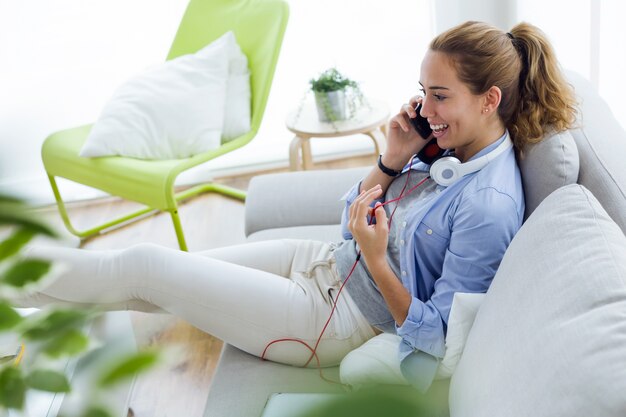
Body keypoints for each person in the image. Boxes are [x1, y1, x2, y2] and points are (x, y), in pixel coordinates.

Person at [17, 21, 576, 391]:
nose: (425, 108)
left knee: (144, 266)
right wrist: (392, 160)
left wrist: (378, 261)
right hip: (321, 262)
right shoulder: (446, 149)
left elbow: (436, 340)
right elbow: (348, 222)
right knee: (144, 281)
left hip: (332, 321)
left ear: (490, 99)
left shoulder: (490, 204)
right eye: (423, 91)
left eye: (440, 95)